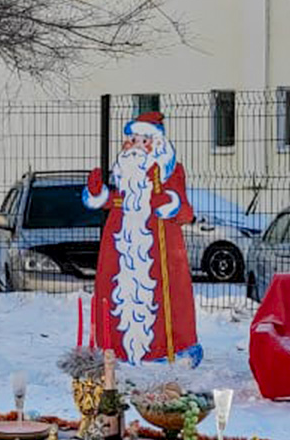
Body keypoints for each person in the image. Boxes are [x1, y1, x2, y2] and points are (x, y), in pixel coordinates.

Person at [83, 111, 202, 366]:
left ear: (157, 145)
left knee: (164, 299)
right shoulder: (125, 177)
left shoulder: (171, 173)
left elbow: (185, 212)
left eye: (143, 140)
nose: (135, 146)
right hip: (121, 249)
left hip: (159, 253)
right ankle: (116, 348)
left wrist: (169, 202)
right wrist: (98, 194)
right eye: (132, 140)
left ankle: (167, 351)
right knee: (114, 294)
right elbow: (114, 200)